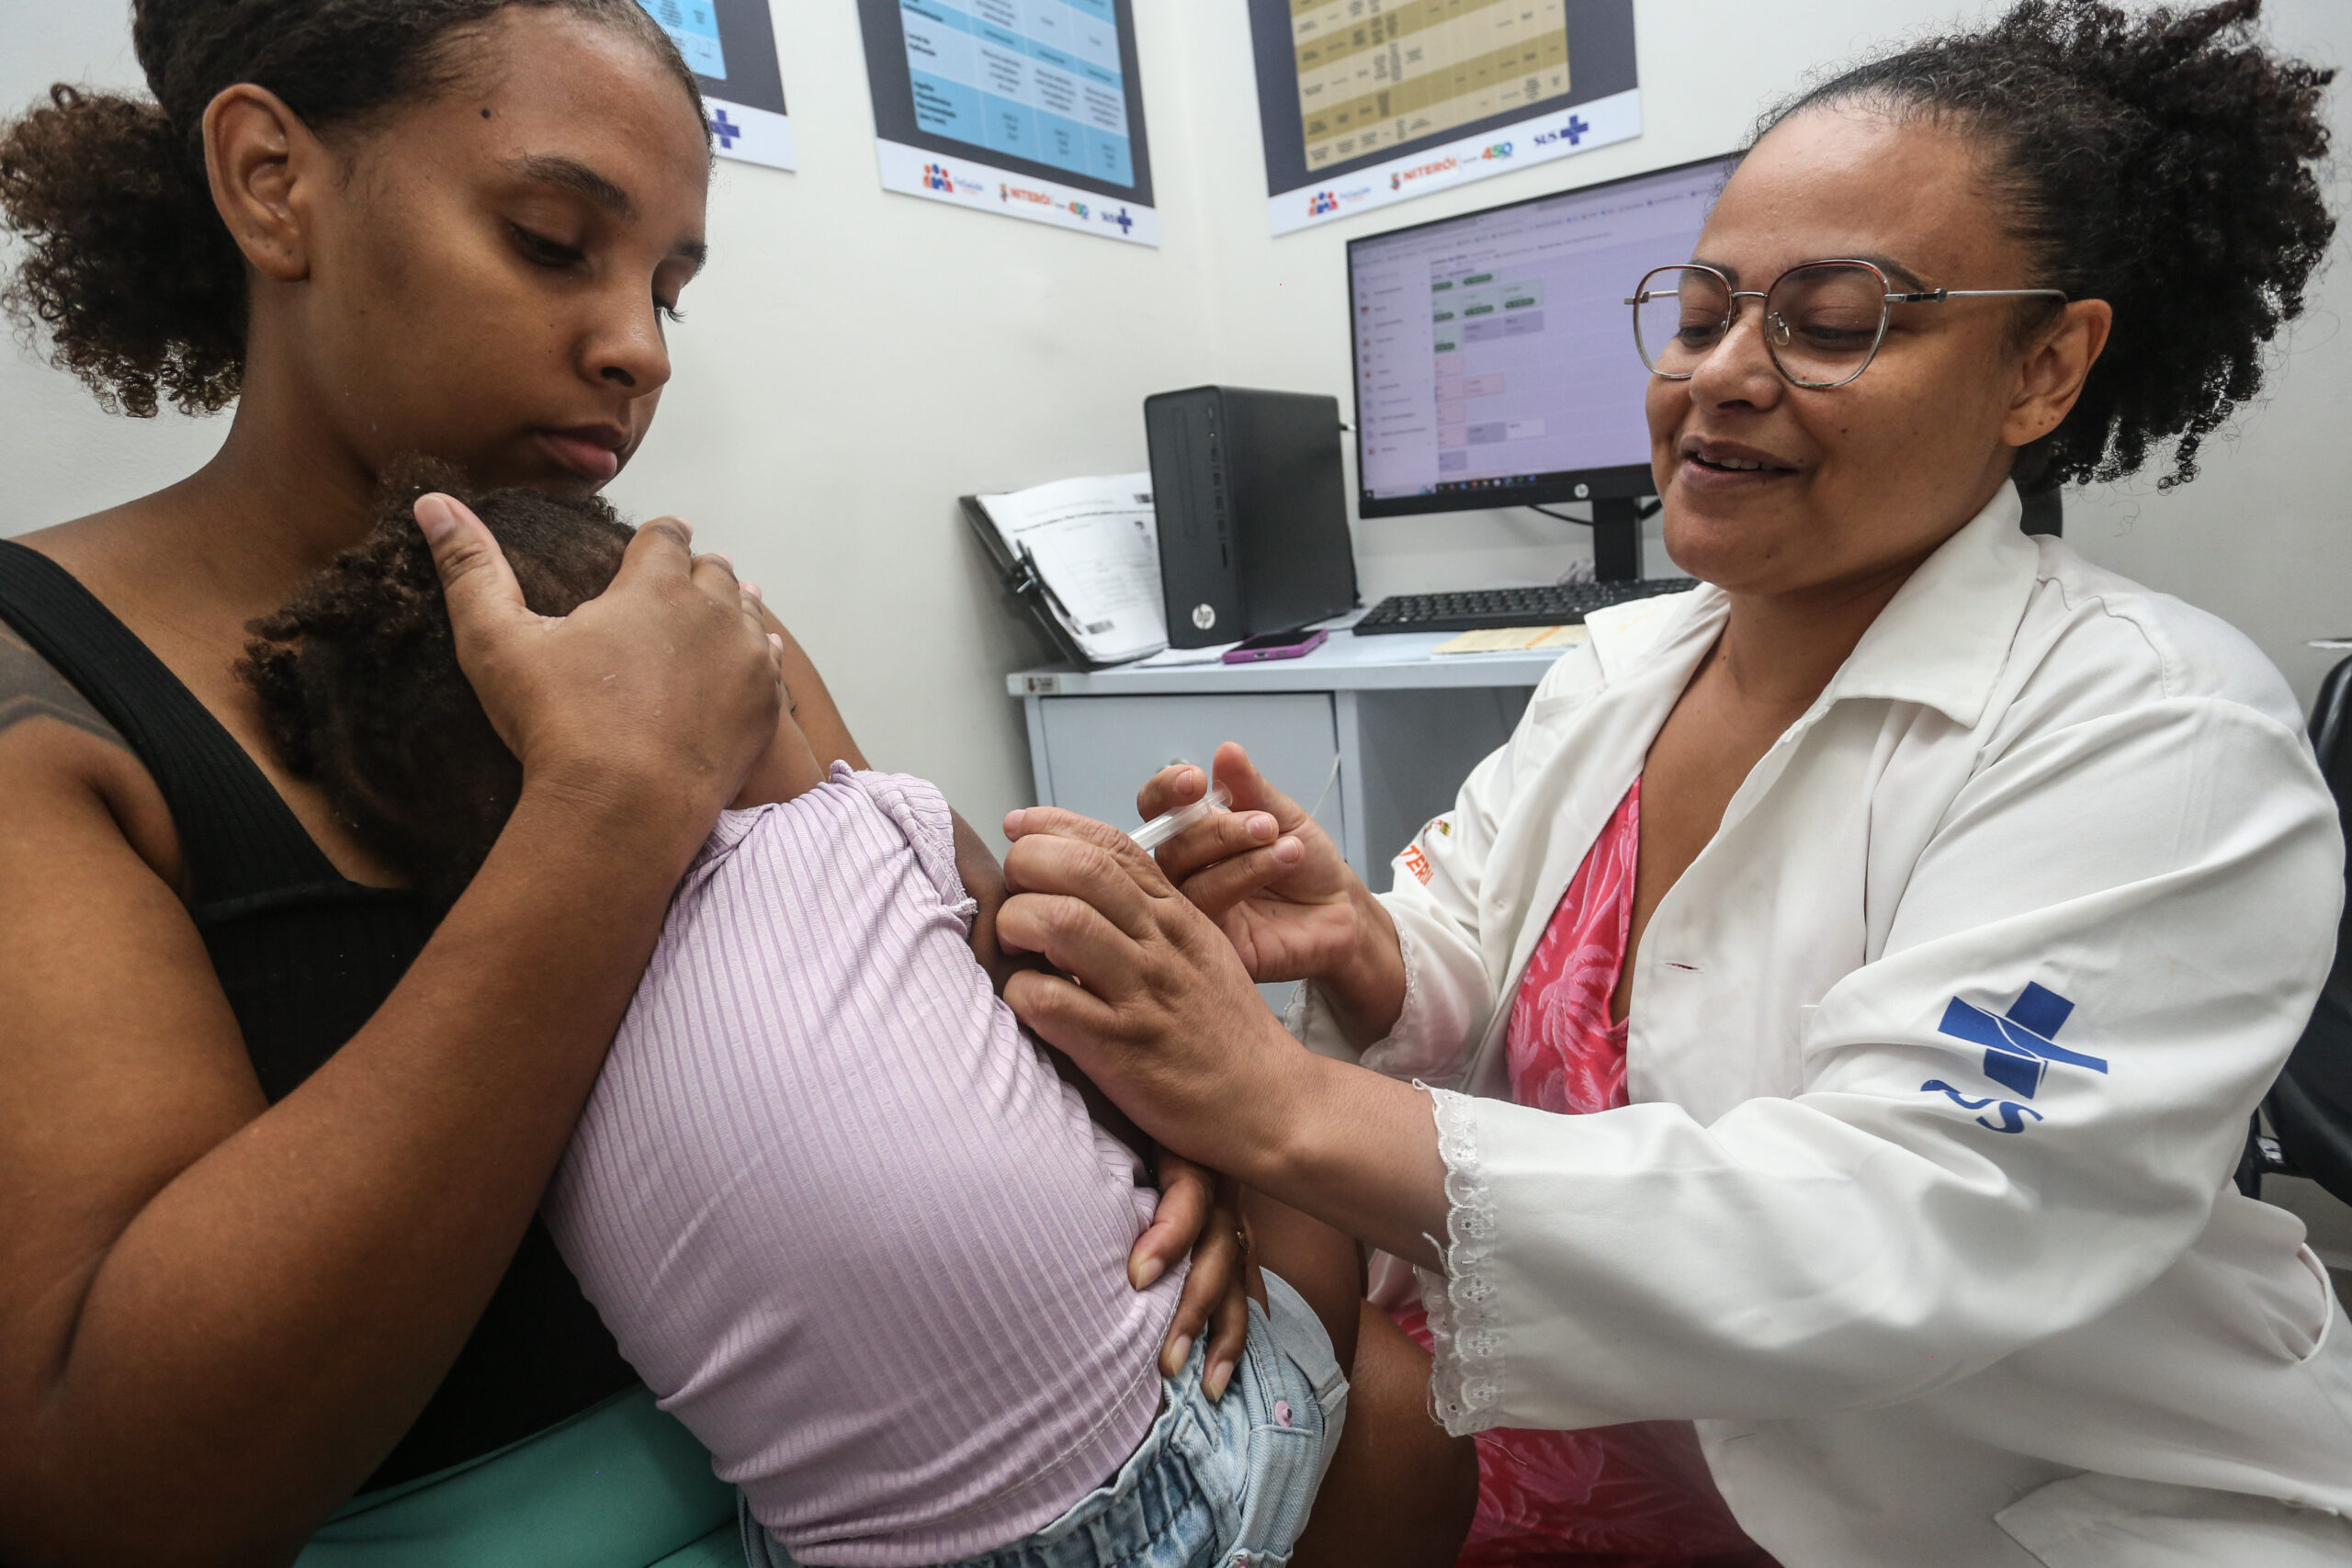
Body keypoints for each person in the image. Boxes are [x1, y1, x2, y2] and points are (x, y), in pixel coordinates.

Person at [989, 2, 2352, 1564]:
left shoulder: (2158, 731)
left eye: (1832, 321)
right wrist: (1367, 952)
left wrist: (1280, 1101)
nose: (1723, 376)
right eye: (1701, 314)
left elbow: (1904, 1221)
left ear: (2044, 366)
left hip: (1993, 1508)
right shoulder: (1620, 666)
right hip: (1578, 1466)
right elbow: (1488, 965)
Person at [0, 4, 1250, 1562]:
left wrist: (1181, 1088)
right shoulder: (44, 703)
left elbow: (968, 976)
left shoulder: (683, 621)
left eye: (669, 286)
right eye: (548, 241)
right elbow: (109, 1486)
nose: (639, 348)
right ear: (271, 181)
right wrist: (609, 814)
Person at [231, 467, 1477, 1568]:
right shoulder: (864, 821)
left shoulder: (517, 1015)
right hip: (1194, 1466)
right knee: (1327, 1224)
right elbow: (1040, 981)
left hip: (862, 1551)